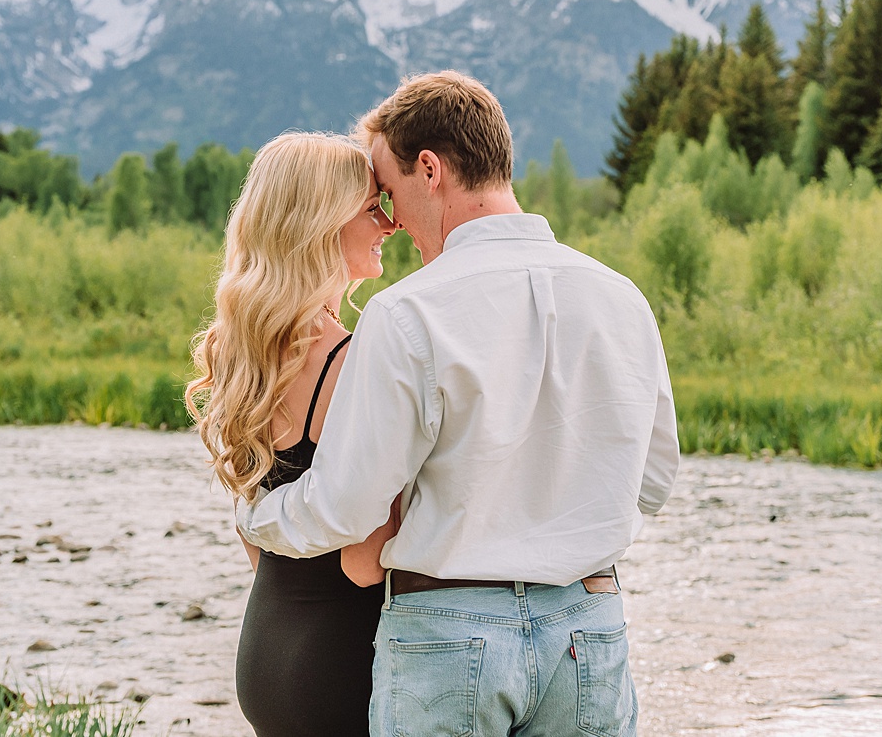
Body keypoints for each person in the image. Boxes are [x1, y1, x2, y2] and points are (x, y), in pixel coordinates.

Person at [237, 71, 681, 737]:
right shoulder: (624, 299)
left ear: (430, 169)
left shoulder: (407, 314)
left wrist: (259, 513)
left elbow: (346, 508)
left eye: (388, 191)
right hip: (588, 631)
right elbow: (653, 483)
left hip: (451, 634)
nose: (390, 218)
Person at [186, 131, 399, 737]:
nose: (390, 225)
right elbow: (363, 561)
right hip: (340, 664)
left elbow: (253, 536)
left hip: (267, 649)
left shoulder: (242, 348)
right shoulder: (347, 361)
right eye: (370, 209)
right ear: (321, 223)